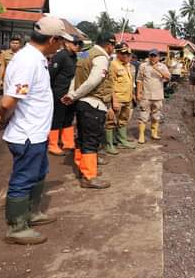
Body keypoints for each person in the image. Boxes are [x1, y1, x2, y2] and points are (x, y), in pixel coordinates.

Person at [0, 16, 73, 245]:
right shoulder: (28, 61)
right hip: (27, 134)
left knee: (39, 172)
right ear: (53, 39)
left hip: (36, 132)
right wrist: (3, 116)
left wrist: (4, 113)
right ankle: (17, 226)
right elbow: (8, 101)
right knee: (23, 178)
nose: (61, 45)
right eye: (60, 41)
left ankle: (31, 213)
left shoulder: (37, 58)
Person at [61, 33, 115, 189]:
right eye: (113, 47)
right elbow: (93, 81)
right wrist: (74, 94)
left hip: (82, 103)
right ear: (109, 45)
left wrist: (73, 94)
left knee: (82, 139)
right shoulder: (101, 57)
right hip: (94, 103)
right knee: (91, 141)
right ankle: (89, 176)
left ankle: (82, 168)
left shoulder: (84, 54)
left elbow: (75, 78)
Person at [47, 36, 82, 156]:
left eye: (79, 44)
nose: (78, 46)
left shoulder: (74, 57)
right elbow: (50, 75)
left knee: (69, 117)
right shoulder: (60, 56)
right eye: (75, 43)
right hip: (58, 92)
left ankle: (67, 142)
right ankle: (53, 144)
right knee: (57, 118)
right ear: (67, 43)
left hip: (70, 93)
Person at [104, 42, 136, 155]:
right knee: (110, 121)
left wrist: (132, 95)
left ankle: (122, 140)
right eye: (123, 53)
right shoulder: (113, 65)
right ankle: (109, 145)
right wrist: (114, 100)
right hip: (118, 99)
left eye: (128, 53)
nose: (126, 56)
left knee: (123, 120)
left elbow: (129, 82)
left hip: (127, 98)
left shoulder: (126, 65)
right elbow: (110, 84)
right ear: (117, 53)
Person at [136, 48, 171, 144]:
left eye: (155, 56)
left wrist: (158, 70)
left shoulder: (162, 66)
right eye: (151, 55)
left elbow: (168, 77)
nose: (153, 57)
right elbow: (139, 80)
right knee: (143, 116)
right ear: (149, 56)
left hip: (158, 96)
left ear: (158, 57)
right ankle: (141, 135)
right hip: (146, 95)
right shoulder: (143, 66)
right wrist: (138, 92)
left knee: (156, 116)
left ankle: (154, 133)